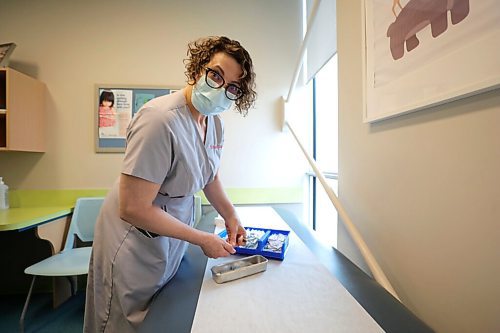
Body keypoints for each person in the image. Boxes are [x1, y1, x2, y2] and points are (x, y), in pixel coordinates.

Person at [84, 36, 257, 332]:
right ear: (196, 69)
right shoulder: (158, 119)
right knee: (123, 318)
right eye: (215, 74)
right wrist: (202, 238)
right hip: (134, 236)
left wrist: (231, 216)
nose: (220, 88)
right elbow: (133, 207)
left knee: (161, 313)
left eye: (231, 87)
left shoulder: (214, 122)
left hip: (169, 226)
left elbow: (209, 175)